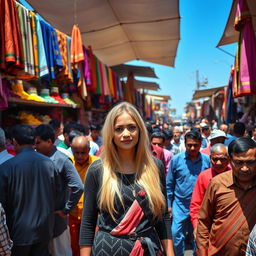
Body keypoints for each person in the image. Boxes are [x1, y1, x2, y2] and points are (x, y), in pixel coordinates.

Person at [79, 102, 174, 256]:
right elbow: (88, 223)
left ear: (140, 130)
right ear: (111, 133)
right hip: (106, 250)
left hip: (147, 251)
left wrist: (170, 253)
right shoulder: (97, 170)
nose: (126, 134)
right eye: (119, 129)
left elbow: (162, 218)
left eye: (131, 127)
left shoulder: (155, 167)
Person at [0, 124, 59, 256]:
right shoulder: (49, 163)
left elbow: (2, 205)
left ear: (14, 141)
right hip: (44, 230)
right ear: (34, 141)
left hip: (18, 232)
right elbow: (57, 193)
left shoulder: (6, 168)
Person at [196, 137, 256, 255]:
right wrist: (202, 252)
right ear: (230, 161)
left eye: (250, 162)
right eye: (239, 162)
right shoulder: (217, 184)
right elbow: (203, 222)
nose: (245, 168)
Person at [35, 124, 83, 256]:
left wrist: (66, 210)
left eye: (38, 143)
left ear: (49, 141)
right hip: (42, 222)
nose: (35, 146)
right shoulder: (40, 159)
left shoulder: (61, 160)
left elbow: (78, 186)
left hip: (57, 223)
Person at [166, 130, 211, 256]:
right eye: (189, 145)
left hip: (200, 206)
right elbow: (169, 184)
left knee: (198, 238)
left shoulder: (207, 161)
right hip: (180, 205)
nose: (192, 148)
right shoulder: (176, 160)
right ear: (184, 144)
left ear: (201, 144)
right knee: (175, 235)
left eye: (196, 145)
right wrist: (169, 205)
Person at [190, 143, 231, 238]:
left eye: (223, 159)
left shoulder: (234, 176)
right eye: (215, 159)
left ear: (229, 159)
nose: (219, 163)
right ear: (210, 158)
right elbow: (196, 204)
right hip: (207, 225)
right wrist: (196, 226)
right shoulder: (204, 176)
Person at [69, 135, 99, 256]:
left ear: (89, 149)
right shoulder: (68, 163)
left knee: (94, 246)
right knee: (74, 247)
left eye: (83, 152)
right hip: (73, 214)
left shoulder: (97, 163)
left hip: (93, 215)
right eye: (77, 153)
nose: (80, 156)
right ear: (71, 149)